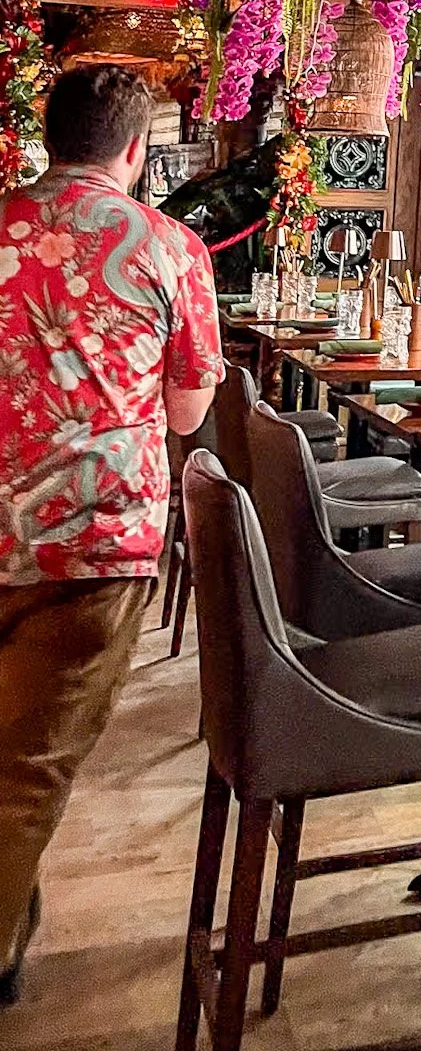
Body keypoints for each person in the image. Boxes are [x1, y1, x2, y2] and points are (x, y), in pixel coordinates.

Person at [0, 65, 223, 1003]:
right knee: (29, 770)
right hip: (98, 544)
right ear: (136, 150)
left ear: (50, 135)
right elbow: (185, 414)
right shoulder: (170, 248)